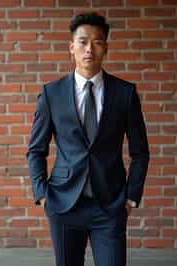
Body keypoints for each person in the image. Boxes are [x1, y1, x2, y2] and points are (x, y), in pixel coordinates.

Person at [27, 12, 149, 266]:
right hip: (63, 204)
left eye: (97, 42)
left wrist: (131, 196)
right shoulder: (52, 93)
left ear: (106, 48)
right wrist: (42, 194)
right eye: (82, 42)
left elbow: (140, 152)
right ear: (72, 47)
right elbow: (36, 150)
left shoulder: (125, 93)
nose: (89, 49)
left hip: (110, 205)